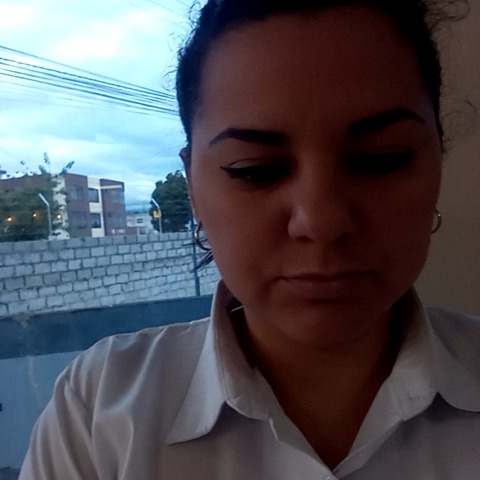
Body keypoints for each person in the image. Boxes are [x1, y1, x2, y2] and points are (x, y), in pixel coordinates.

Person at [20, 0, 480, 478]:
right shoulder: (100, 411)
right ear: (192, 188)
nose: (320, 222)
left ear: (437, 164)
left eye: (382, 159)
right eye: (254, 171)